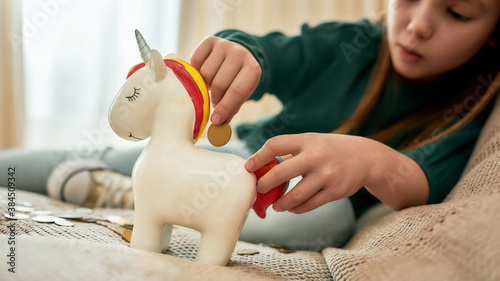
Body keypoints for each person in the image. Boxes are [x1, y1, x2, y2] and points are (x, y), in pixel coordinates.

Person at [1, 0, 499, 251]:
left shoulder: (474, 104)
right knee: (76, 161)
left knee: (335, 217)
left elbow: (421, 181)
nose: (417, 25)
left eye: (457, 11)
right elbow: (273, 53)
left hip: (279, 197)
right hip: (228, 156)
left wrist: (366, 158)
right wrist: (242, 52)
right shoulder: (352, 43)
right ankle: (117, 183)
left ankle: (127, 194)